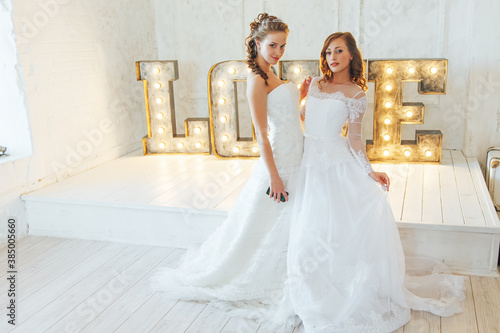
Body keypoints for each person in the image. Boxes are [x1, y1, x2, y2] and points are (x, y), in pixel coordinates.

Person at [287, 32, 466, 333]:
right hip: (309, 161)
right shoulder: (316, 83)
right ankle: (309, 282)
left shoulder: (357, 94)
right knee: (309, 224)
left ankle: (338, 283)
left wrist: (369, 170)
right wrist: (304, 94)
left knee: (333, 224)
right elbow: (305, 119)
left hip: (333, 160)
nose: (333, 56)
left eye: (339, 50)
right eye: (329, 51)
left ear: (351, 55)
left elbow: (354, 137)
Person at [150, 13, 304, 331]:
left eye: (283, 46)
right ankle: (250, 274)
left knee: (287, 220)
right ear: (257, 43)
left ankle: (294, 269)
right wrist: (274, 176)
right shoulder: (255, 80)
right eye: (273, 45)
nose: (278, 52)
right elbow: (262, 133)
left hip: (296, 156)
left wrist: (299, 96)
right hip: (277, 162)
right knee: (262, 220)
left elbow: (286, 114)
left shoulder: (273, 74)